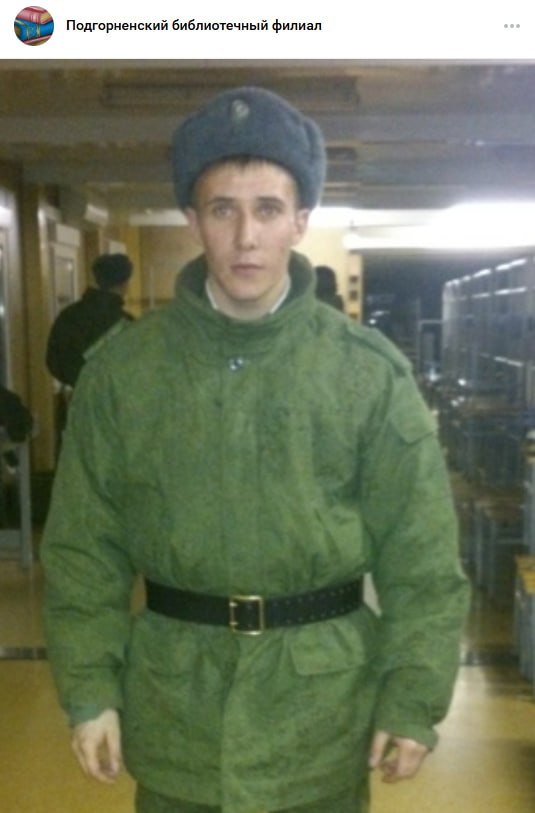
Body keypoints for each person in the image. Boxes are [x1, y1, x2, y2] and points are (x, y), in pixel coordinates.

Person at [41, 87, 470, 813]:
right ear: (192, 219)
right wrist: (90, 691)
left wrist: (412, 696)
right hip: (179, 714)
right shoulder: (124, 374)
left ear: (300, 220)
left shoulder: (366, 374)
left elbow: (421, 557)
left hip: (321, 721)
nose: (246, 236)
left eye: (268, 209)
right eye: (222, 209)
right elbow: (84, 550)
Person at [45, 252, 135, 388]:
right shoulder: (127, 324)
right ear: (125, 284)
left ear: (97, 279)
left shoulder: (69, 316)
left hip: (79, 395)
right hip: (117, 396)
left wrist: (81, 381)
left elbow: (54, 361)